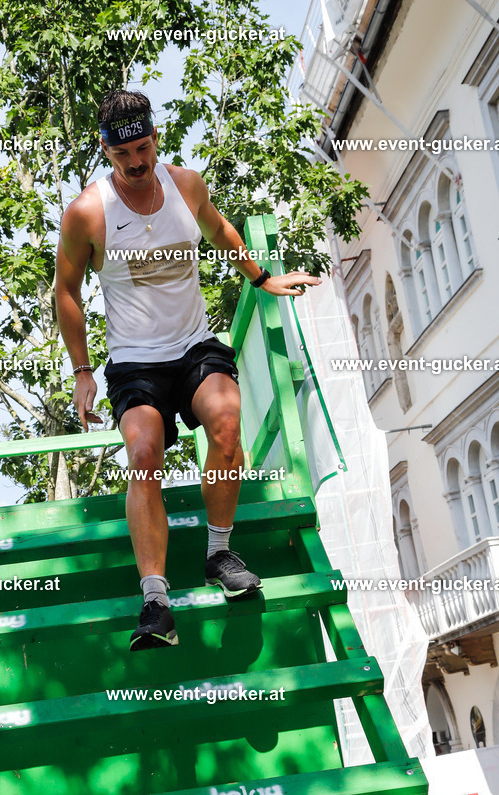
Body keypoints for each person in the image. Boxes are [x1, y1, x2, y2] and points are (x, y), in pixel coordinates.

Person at [55, 89, 321, 651]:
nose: (137, 162)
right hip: (134, 360)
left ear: (156, 138)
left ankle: (219, 553)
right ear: (106, 150)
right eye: (124, 154)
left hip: (195, 345)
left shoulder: (187, 185)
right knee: (144, 454)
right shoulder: (88, 212)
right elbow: (67, 291)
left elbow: (220, 231)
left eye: (144, 148)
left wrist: (261, 277)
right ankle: (155, 599)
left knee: (227, 424)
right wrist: (82, 370)